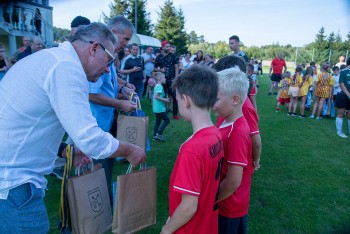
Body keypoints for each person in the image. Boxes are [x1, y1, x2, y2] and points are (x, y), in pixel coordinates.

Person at [0, 22, 145, 233]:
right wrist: (130, 150)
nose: (107, 69)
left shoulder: (52, 59)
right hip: (15, 186)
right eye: (109, 60)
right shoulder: (67, 67)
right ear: (94, 48)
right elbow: (91, 140)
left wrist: (63, 149)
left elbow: (23, 122)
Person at [161, 65, 224, 234]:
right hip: (208, 225)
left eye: (178, 99)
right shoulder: (216, 134)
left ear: (186, 100)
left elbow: (188, 207)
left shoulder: (192, 150)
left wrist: (166, 230)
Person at [88, 16, 138, 203]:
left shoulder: (109, 56)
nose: (125, 45)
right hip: (95, 126)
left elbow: (111, 81)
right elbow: (91, 94)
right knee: (94, 174)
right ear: (113, 32)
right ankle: (94, 213)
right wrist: (120, 104)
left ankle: (104, 210)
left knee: (105, 170)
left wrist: (123, 86)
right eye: (125, 39)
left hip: (105, 124)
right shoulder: (98, 56)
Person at [213, 67, 252, 234]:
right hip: (223, 204)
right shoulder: (225, 120)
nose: (211, 103)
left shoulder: (237, 132)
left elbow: (234, 181)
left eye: (215, 98)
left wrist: (211, 201)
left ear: (235, 99)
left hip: (228, 208)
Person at [213, 55, 261, 170]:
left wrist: (256, 161)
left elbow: (256, 142)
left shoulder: (243, 106)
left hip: (234, 169)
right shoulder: (226, 103)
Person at [154, 40, 180, 120]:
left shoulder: (173, 56)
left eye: (169, 46)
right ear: (163, 47)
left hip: (172, 80)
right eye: (167, 47)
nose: (169, 48)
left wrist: (176, 78)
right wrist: (160, 70)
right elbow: (154, 68)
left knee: (175, 97)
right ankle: (163, 112)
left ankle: (175, 114)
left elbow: (176, 66)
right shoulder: (159, 57)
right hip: (162, 80)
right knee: (162, 96)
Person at [334, 57, 350, 138]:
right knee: (341, 113)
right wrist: (349, 95)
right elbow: (342, 85)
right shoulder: (344, 72)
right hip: (343, 95)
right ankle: (339, 132)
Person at [152, 72, 170, 141]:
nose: (165, 79)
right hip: (159, 108)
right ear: (160, 79)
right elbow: (156, 96)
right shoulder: (159, 86)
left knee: (158, 121)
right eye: (164, 77)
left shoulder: (157, 85)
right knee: (167, 120)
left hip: (156, 108)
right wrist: (165, 100)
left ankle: (155, 135)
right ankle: (159, 134)